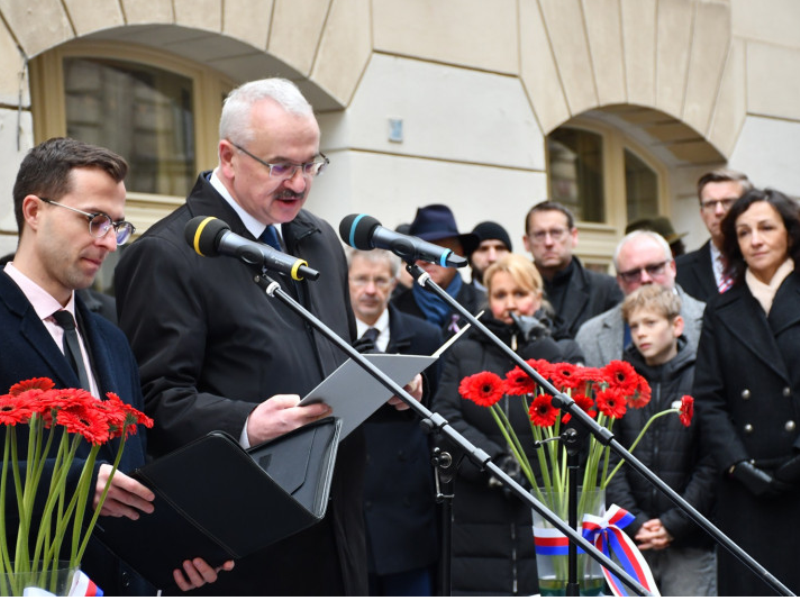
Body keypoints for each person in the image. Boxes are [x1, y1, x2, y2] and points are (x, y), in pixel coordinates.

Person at [114, 78, 419, 596]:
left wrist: (382, 383)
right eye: (280, 166)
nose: (299, 183)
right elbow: (152, 401)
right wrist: (246, 424)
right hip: (244, 548)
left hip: (337, 529)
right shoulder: (167, 254)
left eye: (310, 164)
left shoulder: (318, 238)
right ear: (228, 157)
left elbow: (332, 354)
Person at [0, 137, 229, 595]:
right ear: (34, 211)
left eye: (117, 226)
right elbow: (85, 482)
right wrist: (71, 481)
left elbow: (129, 472)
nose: (108, 241)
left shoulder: (111, 338)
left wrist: (174, 553)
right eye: (94, 220)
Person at [431, 253, 582, 595]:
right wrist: (495, 463)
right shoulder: (465, 352)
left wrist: (542, 346)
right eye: (500, 295)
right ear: (488, 300)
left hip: (543, 501)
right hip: (479, 509)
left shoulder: (564, 350)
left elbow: (576, 424)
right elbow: (445, 417)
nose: (510, 304)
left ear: (538, 298)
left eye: (520, 293)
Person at [693, 187, 800, 596]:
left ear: (789, 232)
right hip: (745, 487)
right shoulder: (721, 310)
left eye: (766, 228)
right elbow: (709, 398)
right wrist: (738, 465)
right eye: (743, 232)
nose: (755, 240)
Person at [607, 284, 716, 596]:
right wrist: (634, 521)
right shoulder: (620, 382)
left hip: (690, 541)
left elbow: (710, 463)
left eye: (651, 323)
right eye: (634, 326)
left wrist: (674, 523)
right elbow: (609, 460)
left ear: (677, 325)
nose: (641, 333)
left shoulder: (703, 378)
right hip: (631, 540)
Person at [347, 248, 442, 596]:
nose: (370, 290)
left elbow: (438, 408)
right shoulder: (327, 333)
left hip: (408, 508)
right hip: (352, 498)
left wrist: (418, 388)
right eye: (361, 279)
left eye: (380, 280)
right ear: (346, 282)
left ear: (394, 284)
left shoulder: (426, 336)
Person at [575, 230, 706, 367]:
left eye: (654, 268)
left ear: (672, 268)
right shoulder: (590, 335)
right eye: (633, 273)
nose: (645, 279)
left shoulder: (709, 319)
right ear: (619, 281)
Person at [523, 200, 622, 340]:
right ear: (526, 242)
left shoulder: (606, 289)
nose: (548, 242)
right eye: (539, 234)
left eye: (556, 233)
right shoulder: (514, 293)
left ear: (574, 236)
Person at [391, 204, 483, 337]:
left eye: (435, 250)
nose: (425, 260)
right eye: (418, 251)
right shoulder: (393, 311)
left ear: (458, 252)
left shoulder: (484, 305)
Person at [676, 169, 753, 301]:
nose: (719, 211)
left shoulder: (767, 262)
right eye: (710, 204)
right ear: (702, 213)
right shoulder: (679, 270)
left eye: (728, 202)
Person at [468, 220, 512, 291]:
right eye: (483, 249)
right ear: (470, 259)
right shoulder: (454, 297)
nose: (492, 258)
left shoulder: (527, 294)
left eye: (499, 248)